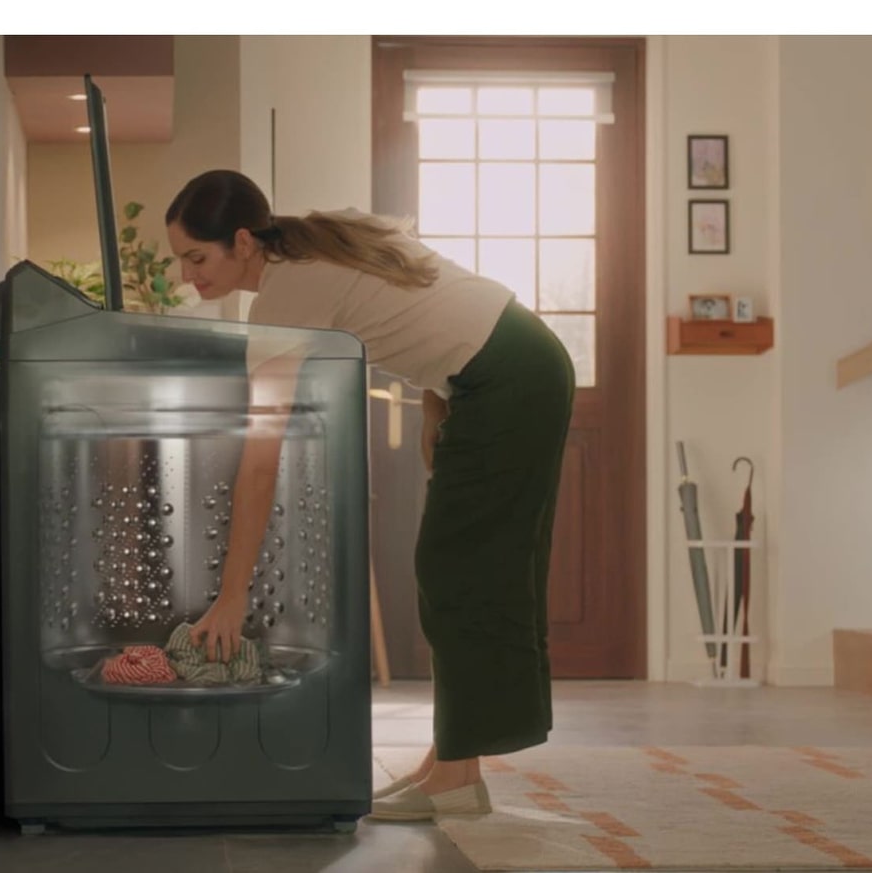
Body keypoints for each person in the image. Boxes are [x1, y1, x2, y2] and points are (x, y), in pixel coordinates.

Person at [164, 170, 576, 821]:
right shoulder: (320, 241)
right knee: (457, 568)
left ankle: (460, 778)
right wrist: (439, 399)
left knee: (462, 570)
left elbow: (259, 462)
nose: (189, 276)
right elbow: (435, 299)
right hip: (510, 366)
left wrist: (232, 596)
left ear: (242, 241)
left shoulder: (285, 292)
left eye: (197, 257)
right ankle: (451, 763)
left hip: (509, 378)